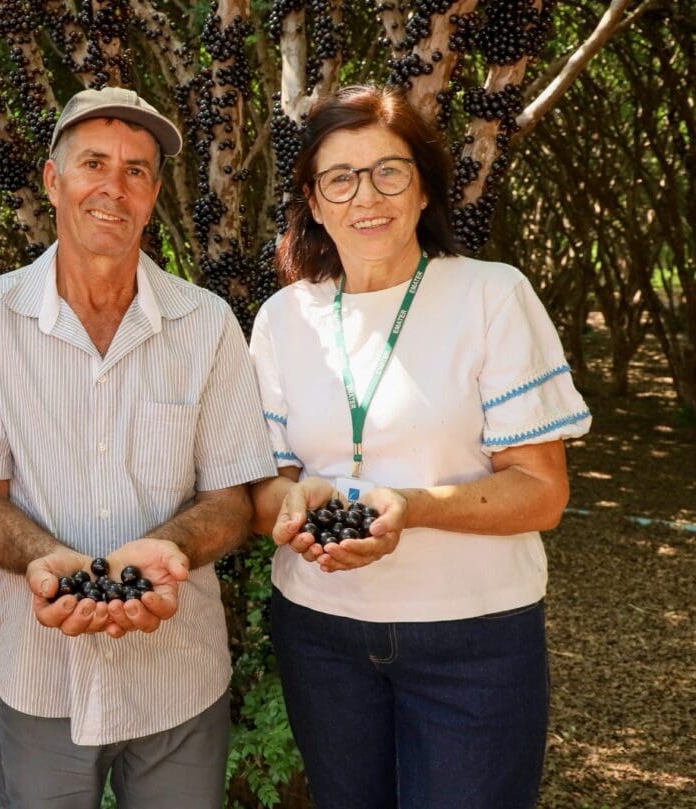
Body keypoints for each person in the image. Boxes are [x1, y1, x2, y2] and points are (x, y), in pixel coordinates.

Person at [248, 84, 592, 809]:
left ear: (422, 186)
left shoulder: (490, 296)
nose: (364, 196)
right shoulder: (284, 318)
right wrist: (294, 502)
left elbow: (541, 489)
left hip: (472, 640)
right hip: (320, 632)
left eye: (388, 171)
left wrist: (406, 506)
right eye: (338, 177)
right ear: (312, 200)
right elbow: (265, 486)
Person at [0, 87, 276, 808]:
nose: (112, 186)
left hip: (177, 674)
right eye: (93, 162)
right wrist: (43, 560)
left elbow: (230, 499)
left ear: (154, 194)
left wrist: (166, 551)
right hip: (40, 673)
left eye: (135, 170)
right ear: (51, 179)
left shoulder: (207, 323)